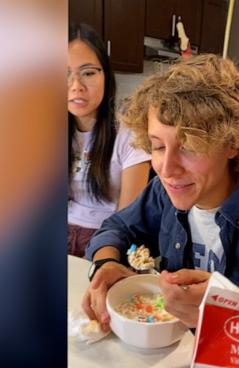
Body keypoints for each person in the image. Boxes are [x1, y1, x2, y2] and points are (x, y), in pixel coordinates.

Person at [82, 54, 239, 332]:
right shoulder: (164, 194)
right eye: (158, 146)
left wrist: (229, 314)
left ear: (232, 143)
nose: (167, 169)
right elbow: (117, 227)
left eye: (189, 146)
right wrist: (105, 264)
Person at [68, 23, 151, 257]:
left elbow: (126, 221)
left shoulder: (130, 136)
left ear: (106, 76)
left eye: (89, 72)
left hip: (104, 239)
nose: (76, 87)